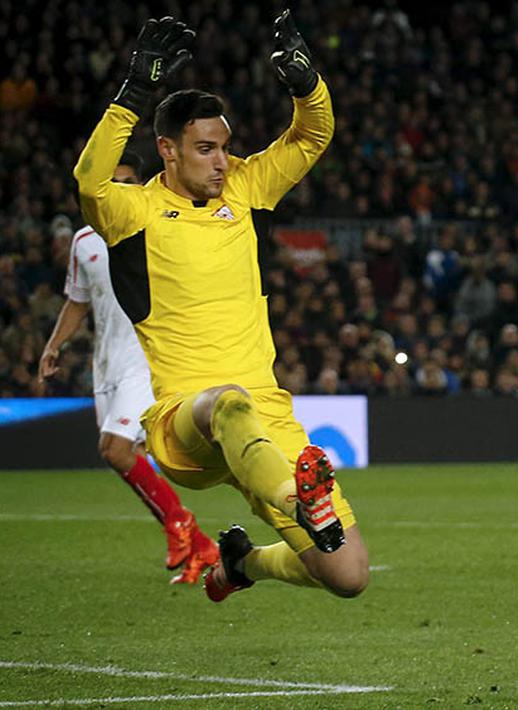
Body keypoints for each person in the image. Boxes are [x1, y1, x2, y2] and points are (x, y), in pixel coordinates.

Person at [73, 13, 369, 602]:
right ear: (168, 150)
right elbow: (90, 181)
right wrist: (135, 89)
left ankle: (242, 563)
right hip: (188, 422)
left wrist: (308, 86)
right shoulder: (134, 212)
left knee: (348, 575)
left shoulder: (245, 188)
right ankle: (298, 499)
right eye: (206, 149)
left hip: (268, 419)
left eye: (226, 148)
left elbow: (311, 136)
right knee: (227, 402)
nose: (222, 162)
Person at [39, 153, 218, 585]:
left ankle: (179, 523)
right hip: (108, 362)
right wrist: (54, 344)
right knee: (125, 456)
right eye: (111, 182)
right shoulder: (84, 241)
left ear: (140, 186)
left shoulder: (155, 226)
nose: (118, 189)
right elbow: (78, 300)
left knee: (115, 449)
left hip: (148, 355)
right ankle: (201, 547)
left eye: (126, 182)